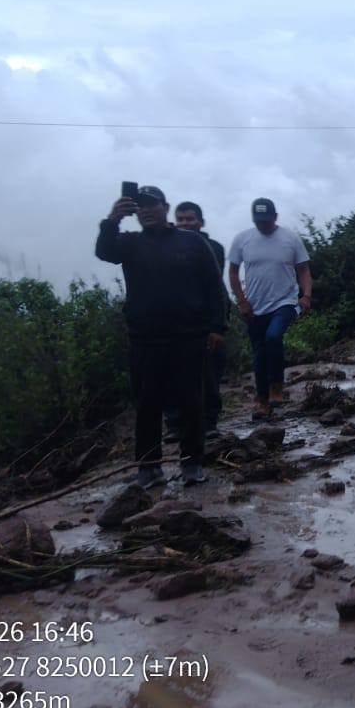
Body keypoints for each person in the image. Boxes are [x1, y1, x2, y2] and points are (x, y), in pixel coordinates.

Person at [95, 185, 226, 487]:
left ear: (165, 208)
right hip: (144, 339)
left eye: (152, 205)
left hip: (189, 337)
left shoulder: (192, 242)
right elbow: (104, 251)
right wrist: (112, 219)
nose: (146, 210)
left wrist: (218, 327)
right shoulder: (129, 243)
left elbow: (213, 286)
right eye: (140, 206)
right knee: (147, 404)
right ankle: (149, 466)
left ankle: (192, 463)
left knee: (191, 401)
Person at [228, 197, 312, 420]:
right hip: (255, 305)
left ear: (275, 217)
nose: (263, 224)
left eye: (266, 220)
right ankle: (262, 400)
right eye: (258, 221)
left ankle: (277, 385)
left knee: (273, 336)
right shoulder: (242, 239)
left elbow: (303, 269)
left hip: (285, 301)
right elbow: (233, 272)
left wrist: (306, 295)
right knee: (259, 352)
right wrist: (241, 301)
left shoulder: (290, 238)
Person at [164, 201, 228, 441]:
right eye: (180, 219)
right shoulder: (165, 246)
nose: (185, 223)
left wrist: (218, 325)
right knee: (171, 375)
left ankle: (209, 422)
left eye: (190, 219)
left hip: (205, 320)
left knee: (209, 374)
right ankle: (174, 424)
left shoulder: (214, 248)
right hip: (172, 321)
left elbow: (213, 287)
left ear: (201, 222)